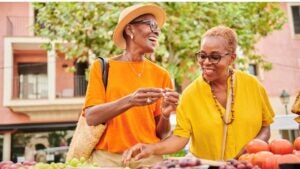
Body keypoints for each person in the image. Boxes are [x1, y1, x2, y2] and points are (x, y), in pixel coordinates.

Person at [122, 25, 275, 163]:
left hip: (249, 165)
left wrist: (252, 149)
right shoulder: (190, 94)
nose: (206, 62)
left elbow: (265, 126)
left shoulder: (253, 85)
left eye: (215, 57)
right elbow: (180, 137)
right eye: (202, 55)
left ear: (232, 58)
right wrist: (150, 149)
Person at [84, 3, 179, 168]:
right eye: (151, 25)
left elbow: (161, 134)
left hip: (148, 159)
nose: (156, 31)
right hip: (108, 160)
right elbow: (91, 117)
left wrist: (165, 115)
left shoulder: (161, 74)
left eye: (158, 27)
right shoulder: (102, 67)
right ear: (130, 30)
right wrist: (130, 100)